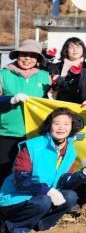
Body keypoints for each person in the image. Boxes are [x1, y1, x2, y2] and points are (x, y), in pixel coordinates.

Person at [0, 108, 86, 232]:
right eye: (57, 123)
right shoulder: (32, 146)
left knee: (70, 196)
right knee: (44, 201)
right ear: (49, 125)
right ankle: (14, 227)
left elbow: (64, 181)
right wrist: (47, 190)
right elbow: (21, 181)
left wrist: (85, 172)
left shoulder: (70, 151)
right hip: (14, 198)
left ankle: (40, 224)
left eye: (66, 124)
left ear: (72, 127)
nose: (61, 128)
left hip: (39, 197)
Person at [0, 40, 50, 181]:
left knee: (30, 173)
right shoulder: (3, 74)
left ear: (38, 59)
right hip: (7, 132)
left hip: (35, 134)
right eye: (24, 54)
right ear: (17, 55)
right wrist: (11, 100)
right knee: (4, 172)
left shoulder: (45, 76)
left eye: (33, 55)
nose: (28, 58)